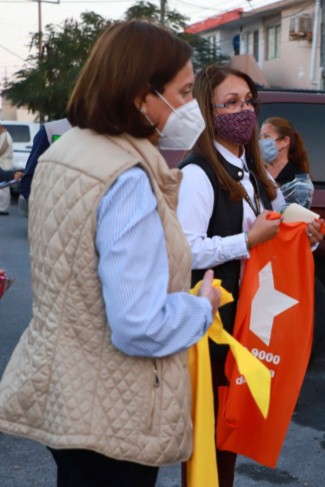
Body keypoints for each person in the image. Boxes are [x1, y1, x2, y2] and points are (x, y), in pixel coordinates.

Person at [0, 21, 221, 486]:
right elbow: (138, 324)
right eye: (182, 92)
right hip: (113, 411)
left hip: (67, 394)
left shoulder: (67, 152)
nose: (189, 106)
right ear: (144, 95)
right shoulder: (126, 177)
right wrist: (200, 309)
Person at [177, 64, 325, 487]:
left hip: (249, 317)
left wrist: (305, 236)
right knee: (208, 432)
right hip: (212, 322)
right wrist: (245, 241)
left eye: (248, 102)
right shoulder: (198, 173)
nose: (244, 111)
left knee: (232, 429)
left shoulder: (255, 172)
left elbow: (272, 232)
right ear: (208, 111)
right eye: (231, 103)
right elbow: (186, 249)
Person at [259, 116, 315, 209]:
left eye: (266, 137)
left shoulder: (298, 180)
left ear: (285, 141)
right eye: (260, 137)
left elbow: (295, 218)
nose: (261, 142)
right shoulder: (255, 171)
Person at [0, 124, 14, 215]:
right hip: (3, 163)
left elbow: (1, 149)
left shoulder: (5, 136)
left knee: (4, 187)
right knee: (2, 186)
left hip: (5, 164)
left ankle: (3, 208)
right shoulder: (3, 135)